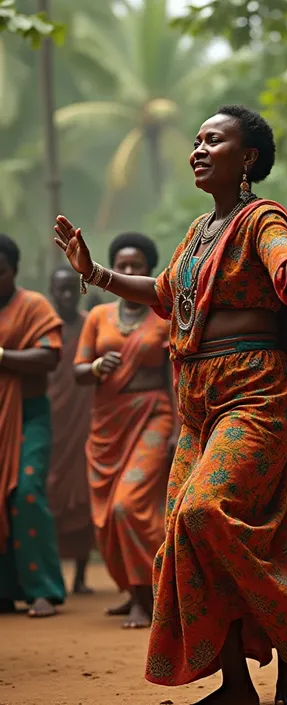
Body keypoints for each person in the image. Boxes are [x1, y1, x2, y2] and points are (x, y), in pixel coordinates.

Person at [54, 104, 287, 705]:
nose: (198, 149)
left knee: (203, 513)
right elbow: (163, 292)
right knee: (183, 533)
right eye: (196, 140)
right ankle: (235, 687)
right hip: (199, 405)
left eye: (214, 140)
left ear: (248, 157)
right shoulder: (200, 232)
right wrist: (94, 272)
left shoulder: (263, 219)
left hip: (256, 393)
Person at [72, 232, 176, 629]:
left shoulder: (163, 314)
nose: (129, 271)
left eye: (137, 266)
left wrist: (178, 430)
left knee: (128, 506)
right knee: (107, 516)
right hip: (108, 423)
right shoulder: (98, 317)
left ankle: (145, 597)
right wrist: (97, 368)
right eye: (123, 264)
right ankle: (132, 590)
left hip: (153, 415)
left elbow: (176, 375)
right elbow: (80, 371)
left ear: (150, 270)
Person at [0, 234, 66, 617]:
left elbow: (49, 356)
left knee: (25, 491)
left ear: (15, 271)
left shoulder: (34, 306)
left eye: (1, 272)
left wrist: (4, 356)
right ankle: (6, 589)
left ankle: (43, 588)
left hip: (29, 415)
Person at [47, 266, 94, 594]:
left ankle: (80, 575)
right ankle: (52, 574)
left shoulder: (91, 325)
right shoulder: (45, 328)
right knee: (49, 492)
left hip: (86, 419)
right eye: (59, 290)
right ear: (51, 292)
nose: (65, 295)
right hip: (52, 420)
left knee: (84, 495)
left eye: (70, 289)